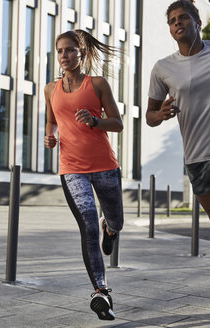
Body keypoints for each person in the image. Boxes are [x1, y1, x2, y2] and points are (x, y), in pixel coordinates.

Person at [147, 0, 210, 313]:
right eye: (172, 21)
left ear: (197, 22)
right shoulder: (163, 68)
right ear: (169, 29)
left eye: (183, 18)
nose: (178, 24)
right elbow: (149, 115)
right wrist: (161, 113)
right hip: (196, 154)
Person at [44, 29, 124, 321]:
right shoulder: (50, 89)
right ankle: (101, 291)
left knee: (115, 220)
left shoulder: (98, 84)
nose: (64, 56)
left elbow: (117, 123)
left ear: (82, 52)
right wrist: (49, 137)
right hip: (72, 168)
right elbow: (52, 122)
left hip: (105, 166)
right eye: (60, 51)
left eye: (70, 50)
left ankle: (111, 229)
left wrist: (94, 121)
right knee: (87, 225)